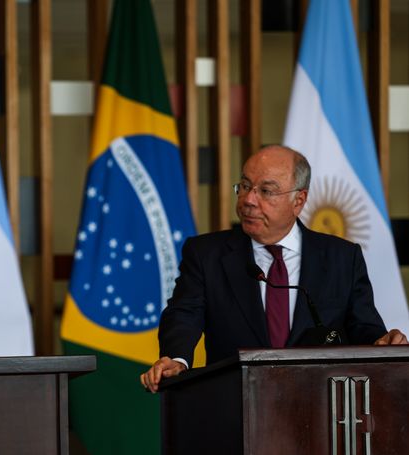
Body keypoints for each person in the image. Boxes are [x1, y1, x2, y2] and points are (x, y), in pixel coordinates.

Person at [141, 145, 407, 392]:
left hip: (321, 407)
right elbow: (184, 314)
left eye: (266, 191)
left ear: (299, 201)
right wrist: (178, 359)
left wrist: (383, 342)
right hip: (235, 407)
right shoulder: (206, 254)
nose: (249, 200)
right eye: (245, 186)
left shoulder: (342, 258)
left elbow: (364, 327)